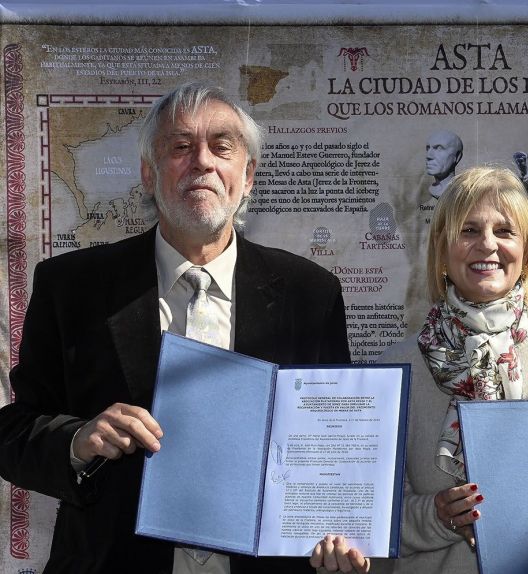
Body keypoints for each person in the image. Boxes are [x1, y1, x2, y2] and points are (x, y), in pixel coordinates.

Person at [0, 82, 365, 574]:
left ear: (248, 175)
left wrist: (340, 535)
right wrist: (78, 440)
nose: (202, 162)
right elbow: (13, 433)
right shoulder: (70, 287)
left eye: (221, 147)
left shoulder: (312, 294)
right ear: (148, 174)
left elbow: (332, 443)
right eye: (180, 147)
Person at [314, 165, 528, 573]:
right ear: (442, 250)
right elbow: (370, 514)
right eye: (469, 230)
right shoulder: (396, 368)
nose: (487, 245)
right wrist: (437, 516)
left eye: (505, 231)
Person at [425, 130, 463, 199]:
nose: (428, 156)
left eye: (439, 148)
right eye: (428, 148)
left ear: (457, 156)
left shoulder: (463, 193)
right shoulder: (431, 192)